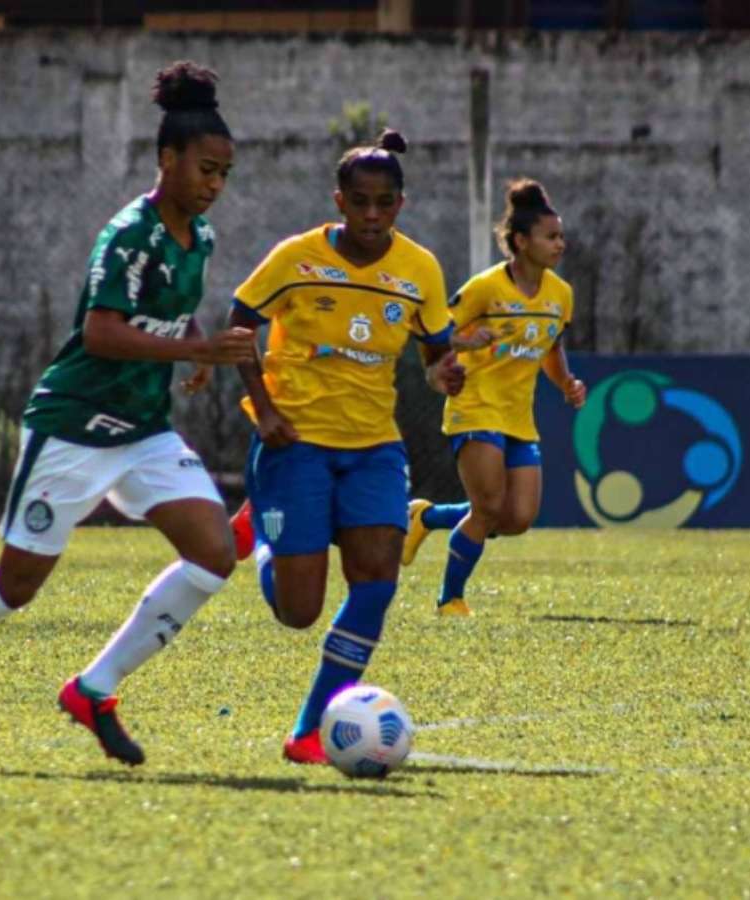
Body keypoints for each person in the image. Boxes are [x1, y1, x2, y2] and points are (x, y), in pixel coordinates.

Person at [0, 61, 255, 770]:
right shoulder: (128, 236)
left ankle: (96, 688)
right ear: (167, 159)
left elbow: (172, 314)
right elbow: (101, 334)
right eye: (204, 168)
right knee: (16, 586)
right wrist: (201, 346)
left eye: (224, 174)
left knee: (214, 553)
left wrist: (195, 348)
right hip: (74, 427)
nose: (214, 184)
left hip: (143, 430)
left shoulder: (197, 242)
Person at [226, 130, 467, 765]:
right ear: (339, 200)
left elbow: (435, 351)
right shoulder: (295, 259)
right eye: (358, 201)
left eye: (383, 203)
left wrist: (442, 373)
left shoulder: (419, 270)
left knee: (376, 585)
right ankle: (264, 535)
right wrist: (265, 406)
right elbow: (238, 324)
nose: (369, 215)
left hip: (373, 447)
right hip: (296, 443)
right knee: (298, 613)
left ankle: (309, 731)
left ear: (399, 204)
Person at [401, 179, 587, 616]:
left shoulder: (561, 295)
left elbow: (551, 346)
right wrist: (463, 345)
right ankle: (451, 600)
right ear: (521, 242)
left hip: (518, 418)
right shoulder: (485, 288)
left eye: (561, 236)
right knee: (486, 508)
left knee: (517, 518)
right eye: (551, 236)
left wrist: (565, 383)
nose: (560, 244)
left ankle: (425, 517)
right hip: (476, 406)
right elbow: (429, 328)